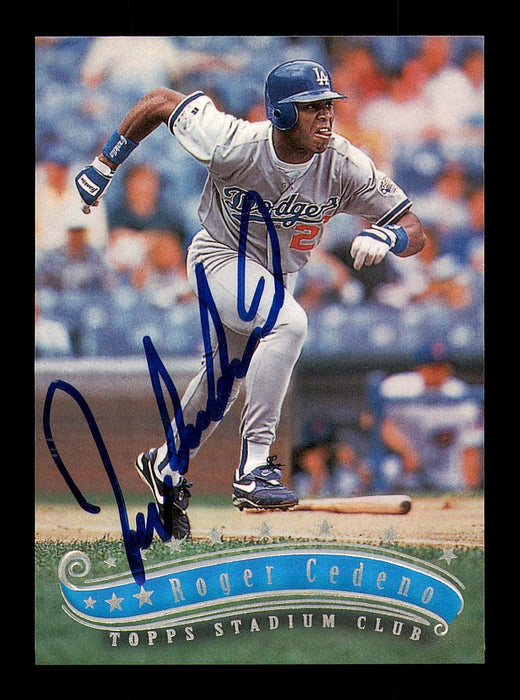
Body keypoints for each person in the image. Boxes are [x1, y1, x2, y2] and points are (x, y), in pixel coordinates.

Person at [74, 59, 425, 539]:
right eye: (311, 107)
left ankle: (166, 464)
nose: (326, 115)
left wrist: (390, 237)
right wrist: (105, 163)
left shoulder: (344, 163)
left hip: (278, 274)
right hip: (219, 254)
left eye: (328, 105)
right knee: (289, 323)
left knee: (223, 380)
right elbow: (158, 101)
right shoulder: (233, 142)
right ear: (281, 113)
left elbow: (413, 226)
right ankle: (255, 466)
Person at [371, 340, 483, 492]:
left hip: (444, 467)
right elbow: (375, 420)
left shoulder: (462, 396)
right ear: (419, 368)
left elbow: (470, 448)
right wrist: (405, 450)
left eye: (442, 366)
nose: (438, 372)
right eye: (431, 366)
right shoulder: (397, 387)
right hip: (405, 464)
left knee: (456, 484)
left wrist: (470, 489)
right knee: (386, 469)